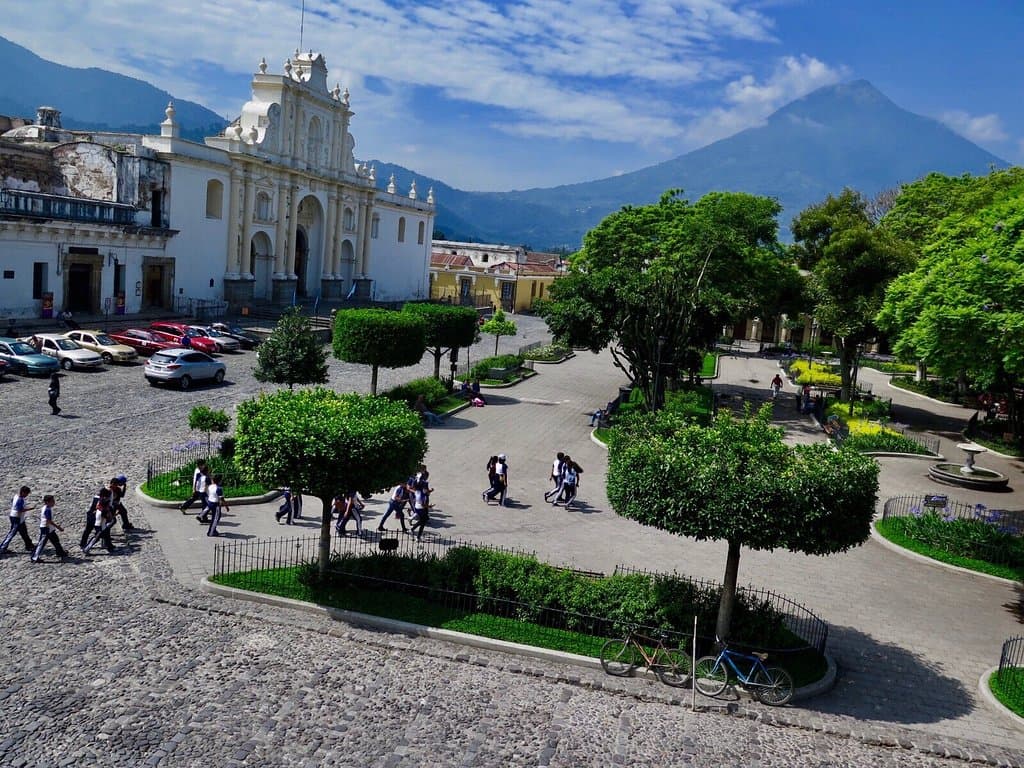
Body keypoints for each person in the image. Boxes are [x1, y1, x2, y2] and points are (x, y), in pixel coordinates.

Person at [31, 494, 68, 563]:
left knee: (55, 540)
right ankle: (34, 557)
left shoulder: (45, 508)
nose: (54, 502)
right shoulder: (47, 509)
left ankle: (60, 552)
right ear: (47, 502)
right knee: (41, 543)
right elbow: (49, 521)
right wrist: (58, 527)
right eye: (52, 501)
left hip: (49, 529)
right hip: (46, 528)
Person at [1, 485, 35, 555]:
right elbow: (20, 510)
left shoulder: (16, 496)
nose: (26, 495)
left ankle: (29, 545)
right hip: (17, 518)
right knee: (12, 533)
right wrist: (30, 508)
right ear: (22, 492)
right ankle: (2, 548)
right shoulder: (20, 499)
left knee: (24, 532)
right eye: (26, 494)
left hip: (18, 518)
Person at [82, 490, 116, 555]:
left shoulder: (99, 505)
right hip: (100, 526)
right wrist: (109, 513)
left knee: (107, 536)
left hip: (102, 525)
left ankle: (110, 547)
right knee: (96, 538)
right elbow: (108, 518)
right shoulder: (104, 510)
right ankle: (86, 548)